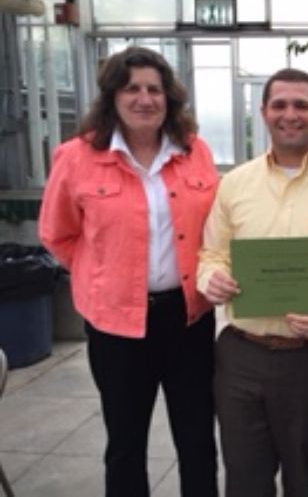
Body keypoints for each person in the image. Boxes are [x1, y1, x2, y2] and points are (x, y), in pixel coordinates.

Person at [38, 47, 219, 497]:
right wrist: (99, 278)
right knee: (125, 442)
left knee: (197, 438)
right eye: (131, 88)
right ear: (112, 97)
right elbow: (57, 234)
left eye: (154, 89)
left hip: (188, 318)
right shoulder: (76, 157)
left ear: (169, 98)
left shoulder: (195, 153)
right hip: (116, 325)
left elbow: (217, 227)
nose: (144, 99)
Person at [197, 67, 308, 497]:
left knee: (303, 477)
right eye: (279, 105)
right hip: (241, 354)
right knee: (244, 477)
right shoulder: (234, 184)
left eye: (301, 105)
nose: (290, 114)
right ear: (263, 112)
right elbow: (211, 252)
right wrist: (210, 277)